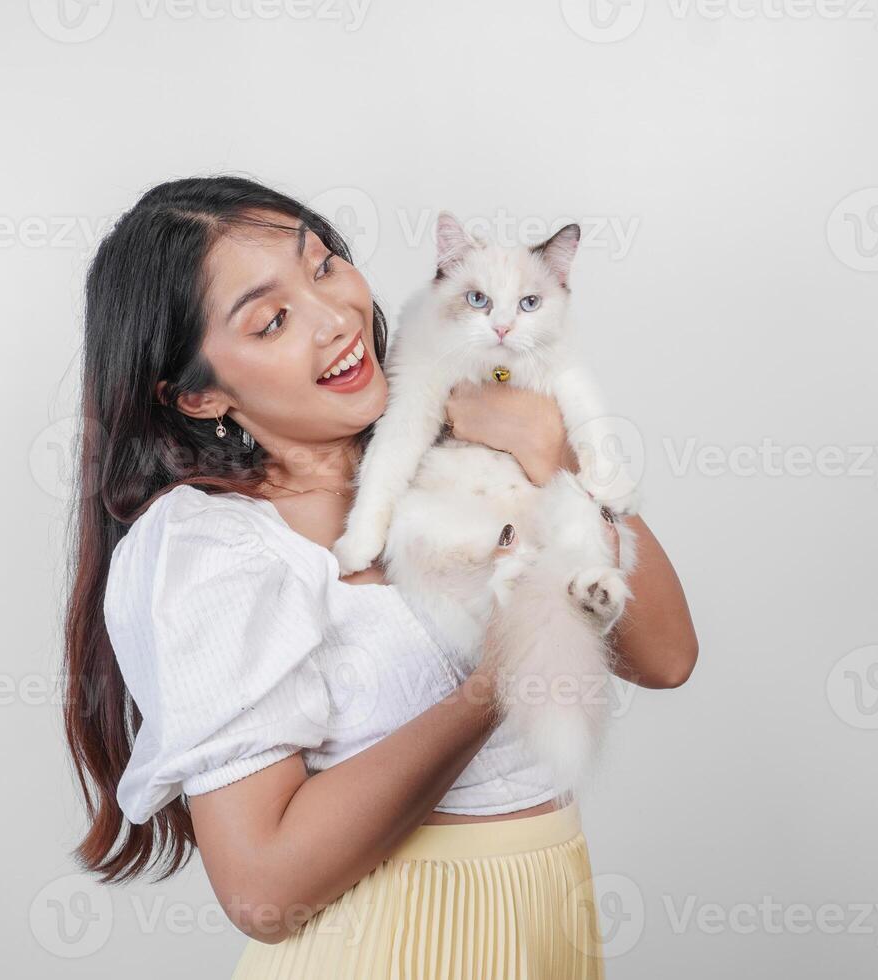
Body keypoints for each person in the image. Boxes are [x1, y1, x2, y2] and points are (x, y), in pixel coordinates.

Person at [61, 175, 698, 978]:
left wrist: (557, 456)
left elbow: (668, 656)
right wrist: (495, 680)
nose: (335, 319)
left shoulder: (461, 432)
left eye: (325, 265)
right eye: (273, 320)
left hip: (542, 936)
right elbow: (262, 886)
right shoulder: (216, 547)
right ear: (197, 395)